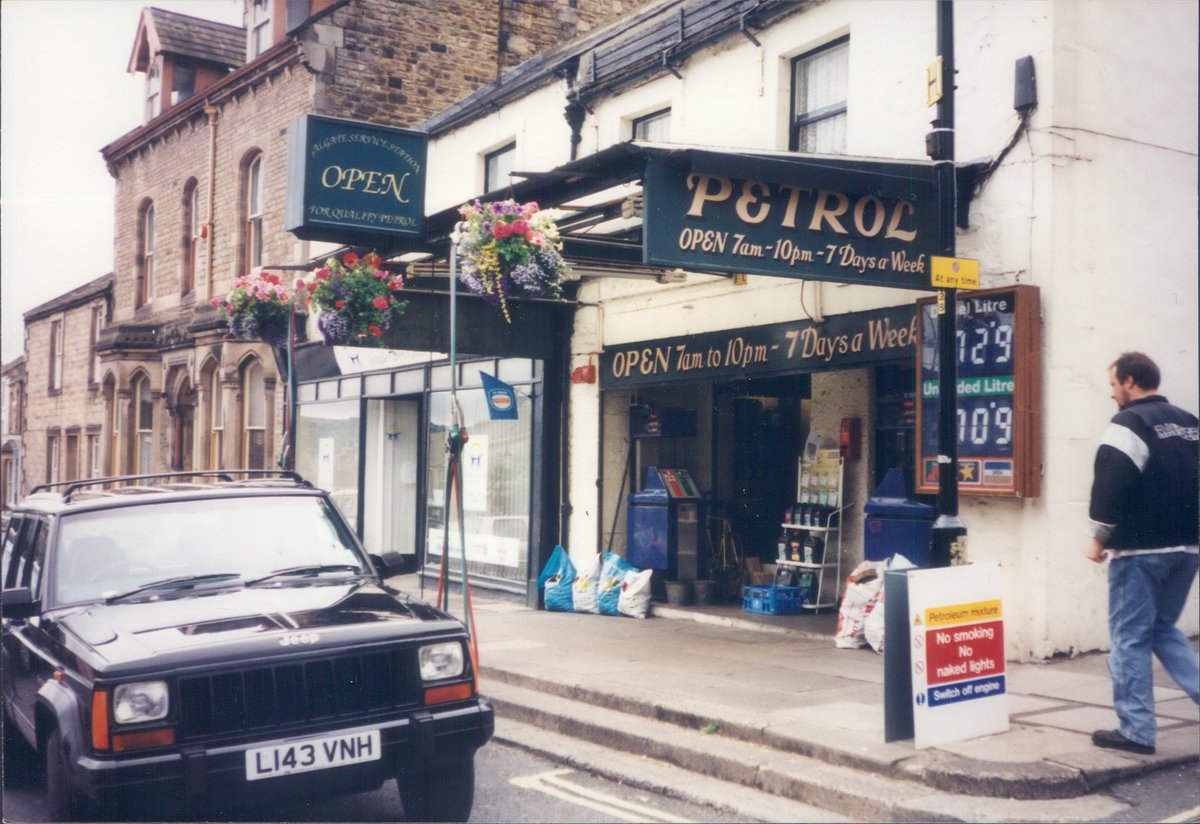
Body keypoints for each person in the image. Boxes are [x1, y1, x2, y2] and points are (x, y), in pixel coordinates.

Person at [1086, 351, 1199, 755]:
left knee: (1129, 637)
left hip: (1140, 551)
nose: (1112, 394)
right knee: (1162, 630)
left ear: (1130, 382)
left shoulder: (1129, 421)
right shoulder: (1190, 423)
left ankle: (1136, 729)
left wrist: (1100, 536)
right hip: (1188, 548)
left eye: (1114, 385)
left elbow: (1111, 480)